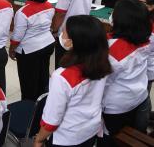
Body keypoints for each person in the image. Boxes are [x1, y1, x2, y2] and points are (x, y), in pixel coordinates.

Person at [34, 15, 111, 147]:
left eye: (64, 32)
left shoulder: (62, 77)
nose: (61, 35)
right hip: (90, 129)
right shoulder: (102, 63)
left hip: (67, 137)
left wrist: (39, 139)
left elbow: (52, 119)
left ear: (72, 42)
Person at [101, 0, 152, 145]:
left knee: (112, 139)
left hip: (116, 106)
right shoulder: (144, 38)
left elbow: (101, 80)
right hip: (138, 96)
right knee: (129, 136)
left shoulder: (113, 50)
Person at [9, 0, 55, 101]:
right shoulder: (50, 6)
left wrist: (12, 49)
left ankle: (29, 108)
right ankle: (44, 101)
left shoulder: (23, 12)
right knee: (43, 75)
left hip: (30, 51)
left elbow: (17, 37)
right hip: (47, 44)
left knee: (28, 82)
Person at [51, 0, 93, 68]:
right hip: (83, 29)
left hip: (67, 31)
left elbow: (60, 14)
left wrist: (54, 30)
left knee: (62, 64)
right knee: (77, 64)